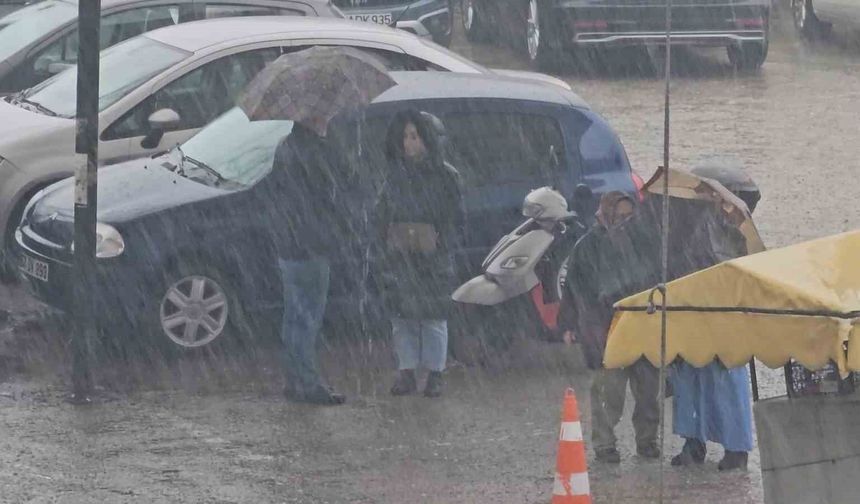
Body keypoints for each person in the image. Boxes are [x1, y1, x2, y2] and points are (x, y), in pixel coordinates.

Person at [559, 191, 662, 463]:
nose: (625, 221)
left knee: (648, 390)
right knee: (608, 390)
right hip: (605, 327)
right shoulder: (587, 246)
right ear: (606, 214)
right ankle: (604, 444)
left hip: (641, 324)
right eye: (619, 216)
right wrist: (569, 323)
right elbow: (574, 287)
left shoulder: (643, 242)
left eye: (629, 216)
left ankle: (647, 440)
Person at [669, 168, 759, 471]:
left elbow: (728, 265)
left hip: (722, 313)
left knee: (726, 379)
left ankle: (736, 448)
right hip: (688, 309)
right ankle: (693, 442)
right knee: (688, 379)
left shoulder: (732, 223)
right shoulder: (682, 220)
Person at [270, 122, 364, 405]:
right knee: (308, 318)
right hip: (312, 243)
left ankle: (294, 379)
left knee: (293, 315)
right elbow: (334, 189)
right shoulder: (318, 151)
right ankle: (309, 383)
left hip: (288, 241)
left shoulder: (284, 148)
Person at [376, 110, 463, 398]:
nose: (409, 143)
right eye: (405, 137)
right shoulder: (394, 175)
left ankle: (435, 373)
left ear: (428, 140)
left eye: (415, 136)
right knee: (402, 319)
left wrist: (439, 243)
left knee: (433, 318)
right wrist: (386, 239)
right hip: (400, 258)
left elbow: (455, 219)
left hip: (434, 259)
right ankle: (407, 371)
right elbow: (382, 213)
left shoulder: (446, 176)